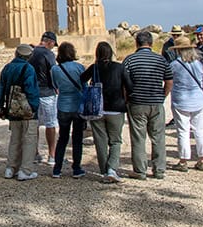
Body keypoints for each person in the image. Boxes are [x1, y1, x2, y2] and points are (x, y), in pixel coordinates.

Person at [122, 31, 173, 180]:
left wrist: (127, 99)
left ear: (136, 43)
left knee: (138, 138)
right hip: (156, 103)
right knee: (158, 137)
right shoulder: (161, 60)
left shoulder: (129, 60)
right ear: (151, 43)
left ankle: (140, 171)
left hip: (136, 103)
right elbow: (169, 81)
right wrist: (163, 96)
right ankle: (159, 170)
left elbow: (124, 83)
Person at [81, 41, 130, 183]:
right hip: (116, 108)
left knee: (100, 140)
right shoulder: (119, 67)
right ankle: (112, 169)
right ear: (111, 53)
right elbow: (129, 85)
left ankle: (104, 170)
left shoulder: (94, 68)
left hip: (97, 108)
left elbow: (81, 79)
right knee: (115, 140)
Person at [0, 44, 40, 180]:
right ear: (29, 56)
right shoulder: (28, 68)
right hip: (26, 110)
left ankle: (10, 168)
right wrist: (34, 107)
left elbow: (1, 88)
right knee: (29, 139)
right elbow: (31, 90)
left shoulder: (7, 68)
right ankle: (25, 171)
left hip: (12, 109)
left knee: (15, 139)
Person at [168, 36, 203, 172]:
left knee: (183, 131)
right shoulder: (198, 63)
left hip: (181, 100)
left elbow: (170, 80)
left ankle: (183, 161)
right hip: (198, 98)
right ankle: (201, 159)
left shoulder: (174, 65)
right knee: (200, 130)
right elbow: (202, 78)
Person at [50, 42, 86, 179]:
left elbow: (55, 86)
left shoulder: (55, 70)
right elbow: (84, 86)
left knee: (62, 138)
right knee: (77, 139)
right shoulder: (79, 67)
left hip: (63, 106)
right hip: (78, 106)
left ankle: (57, 169)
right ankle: (76, 169)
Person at [28, 31, 58, 165]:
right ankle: (52, 155)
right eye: (53, 45)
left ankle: (35, 154)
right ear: (50, 42)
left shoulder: (30, 53)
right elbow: (53, 72)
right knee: (50, 124)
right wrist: (56, 86)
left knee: (34, 124)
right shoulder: (48, 54)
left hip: (32, 93)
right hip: (47, 93)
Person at [161, 25, 184, 127]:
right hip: (172, 72)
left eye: (178, 34)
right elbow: (164, 59)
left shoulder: (184, 44)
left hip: (184, 73)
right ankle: (175, 117)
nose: (176, 36)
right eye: (174, 34)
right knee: (174, 96)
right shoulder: (167, 45)